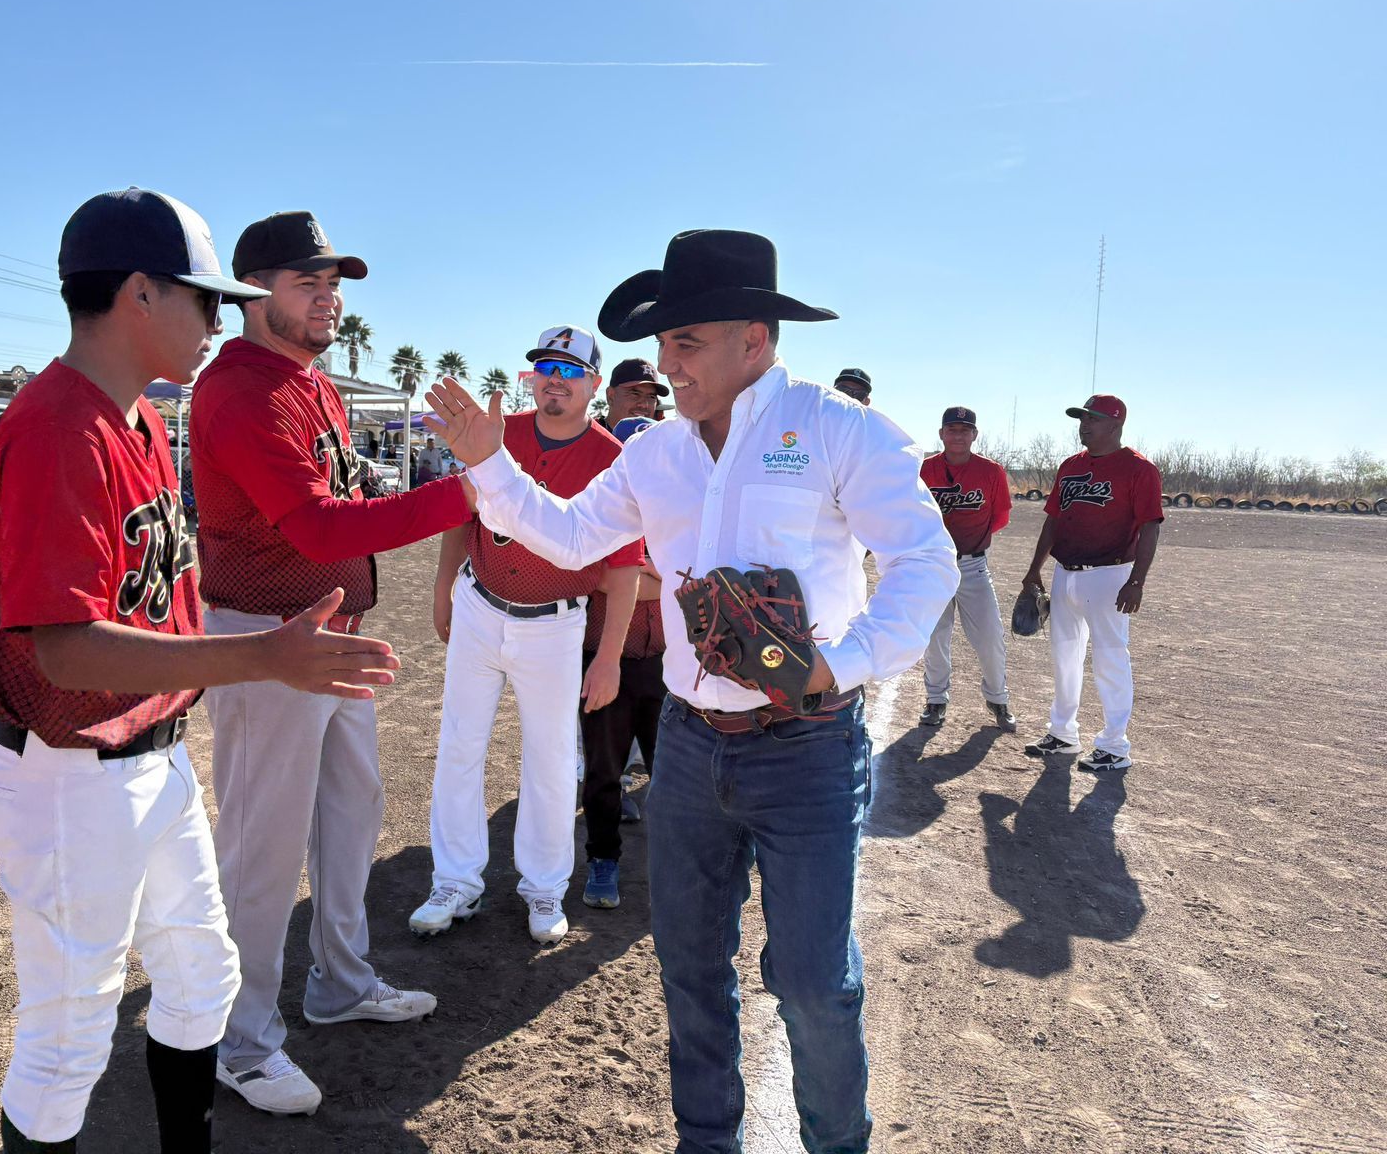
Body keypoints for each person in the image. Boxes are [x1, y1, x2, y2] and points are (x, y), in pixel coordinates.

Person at [425, 229, 958, 1153]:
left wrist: (843, 662)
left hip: (809, 746)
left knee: (812, 982)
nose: (666, 366)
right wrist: (487, 462)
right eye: (664, 345)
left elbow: (926, 556)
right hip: (689, 743)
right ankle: (705, 1142)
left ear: (756, 339)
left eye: (687, 343)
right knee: (689, 969)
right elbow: (565, 535)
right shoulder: (655, 455)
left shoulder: (833, 428)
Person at [0, 188, 398, 1154]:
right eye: (204, 298)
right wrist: (263, 655)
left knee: (202, 981)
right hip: (71, 771)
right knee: (66, 1047)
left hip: (150, 759)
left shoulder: (133, 419)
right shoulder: (58, 429)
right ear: (136, 294)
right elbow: (64, 645)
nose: (217, 318)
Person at [188, 210, 477, 1117]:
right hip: (267, 636)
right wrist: (468, 488)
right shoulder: (241, 388)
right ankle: (240, 1044)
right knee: (261, 848)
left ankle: (340, 983)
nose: (329, 296)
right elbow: (314, 525)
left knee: (353, 814)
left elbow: (341, 495)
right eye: (307, 281)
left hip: (327, 627)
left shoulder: (306, 383)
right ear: (252, 293)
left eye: (333, 283)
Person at [411, 324, 643, 945]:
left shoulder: (612, 460)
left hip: (556, 624)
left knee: (547, 760)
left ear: (595, 384)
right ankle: (455, 881)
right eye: (545, 368)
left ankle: (544, 889)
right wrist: (442, 591)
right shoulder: (499, 432)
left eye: (569, 372)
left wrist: (611, 658)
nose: (554, 382)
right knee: (460, 745)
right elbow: (460, 517)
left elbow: (623, 572)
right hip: (481, 604)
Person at [1021, 394, 1162, 773]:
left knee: (1110, 658)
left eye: (1093, 419)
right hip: (1065, 572)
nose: (1084, 425)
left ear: (1116, 425)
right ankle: (1063, 733)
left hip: (1110, 575)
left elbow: (1150, 526)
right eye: (1082, 418)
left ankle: (1115, 746)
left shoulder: (1139, 469)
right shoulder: (1070, 466)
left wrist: (1137, 581)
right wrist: (1035, 570)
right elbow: (1053, 520)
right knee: (1064, 658)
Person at [578, 417, 665, 908]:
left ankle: (676, 867)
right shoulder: (599, 512)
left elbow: (688, 578)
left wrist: (641, 577)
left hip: (669, 665)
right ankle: (602, 860)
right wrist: (650, 577)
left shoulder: (681, 510)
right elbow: (602, 579)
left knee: (671, 775)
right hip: (606, 660)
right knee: (604, 771)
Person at [917, 405, 1016, 730]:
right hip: (934, 566)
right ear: (942, 433)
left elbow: (1000, 516)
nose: (958, 435)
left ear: (974, 435)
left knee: (989, 634)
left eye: (964, 430)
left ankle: (998, 699)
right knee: (935, 635)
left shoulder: (991, 471)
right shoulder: (924, 469)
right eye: (952, 429)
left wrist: (972, 540)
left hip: (973, 566)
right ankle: (936, 700)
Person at [603, 356, 669, 430]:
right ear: (611, 396)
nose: (644, 405)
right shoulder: (589, 435)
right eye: (635, 394)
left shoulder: (659, 439)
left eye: (651, 397)